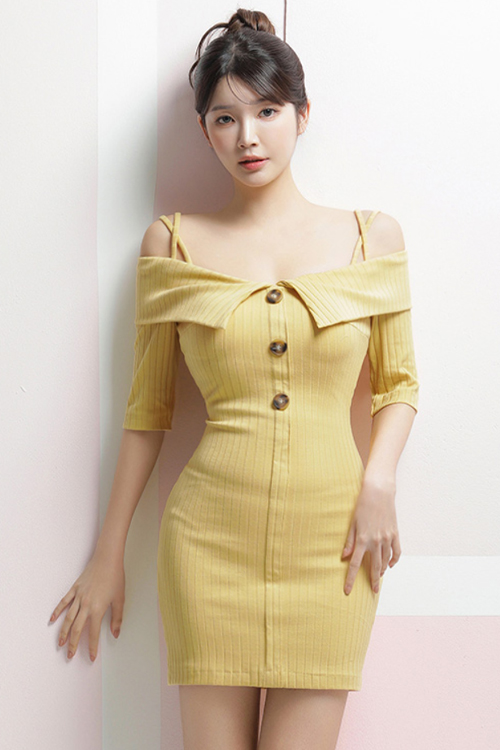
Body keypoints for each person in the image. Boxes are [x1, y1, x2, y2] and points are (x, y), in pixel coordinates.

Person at [49, 8, 420, 749]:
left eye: (267, 112)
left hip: (334, 545)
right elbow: (147, 409)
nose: (248, 136)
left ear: (303, 115)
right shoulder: (172, 243)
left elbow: (400, 384)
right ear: (205, 130)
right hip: (208, 545)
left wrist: (379, 481)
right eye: (225, 118)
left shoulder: (370, 237)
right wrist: (107, 553)